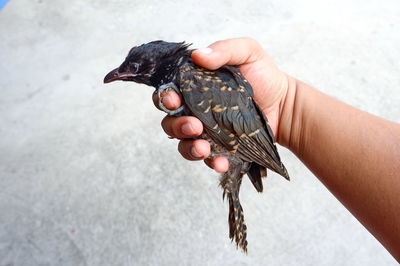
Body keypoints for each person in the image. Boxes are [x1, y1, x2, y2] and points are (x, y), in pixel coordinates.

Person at [152, 38, 400, 261]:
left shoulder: (191, 75)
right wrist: (285, 105)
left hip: (244, 146)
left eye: (136, 68)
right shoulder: (192, 76)